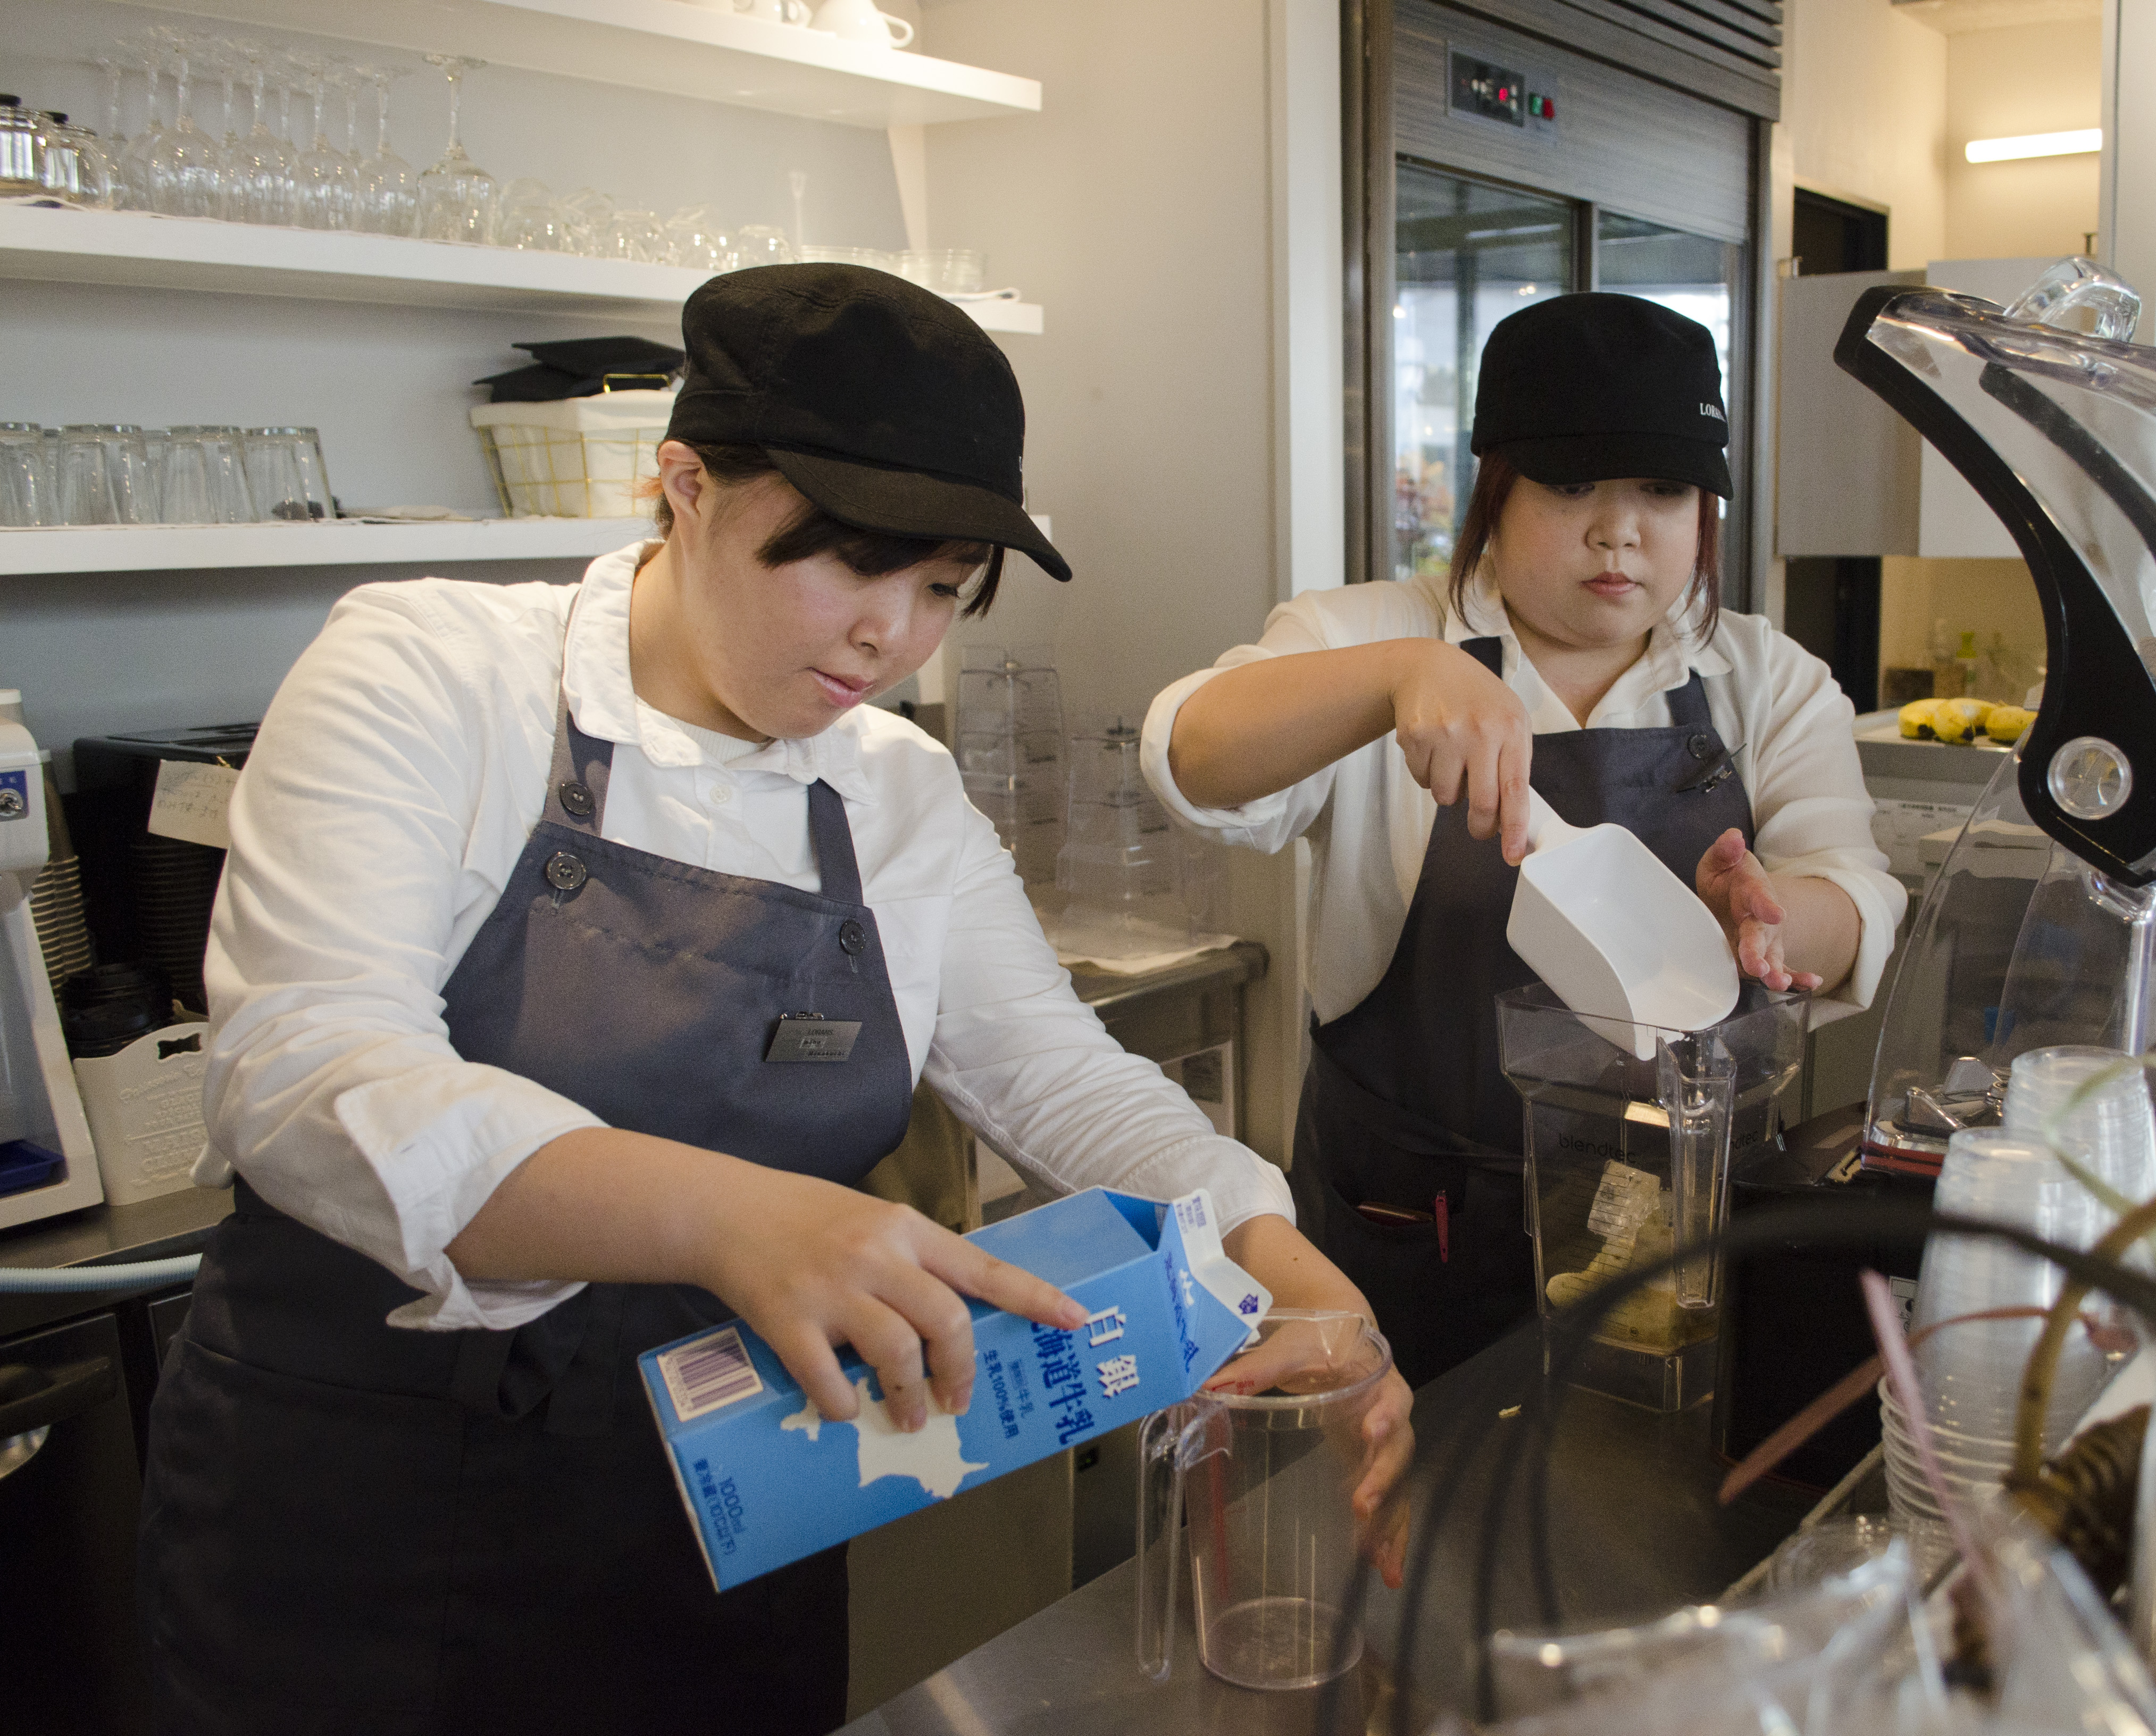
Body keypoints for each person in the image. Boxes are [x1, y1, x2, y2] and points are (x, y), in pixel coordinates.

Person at [136, 264, 1411, 1736]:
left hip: (736, 1510)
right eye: (851, 563)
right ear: (681, 483)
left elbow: (1065, 1081)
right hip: (362, 1517)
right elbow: (306, 1072)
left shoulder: (895, 794)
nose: (892, 637)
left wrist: (1285, 1263)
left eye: (941, 588)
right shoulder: (430, 675)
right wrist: (738, 1218)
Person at [1146, 293, 1906, 1386]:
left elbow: (1855, 893)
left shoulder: (1765, 680)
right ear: (1491, 493)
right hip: (1412, 1235)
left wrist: (1776, 918)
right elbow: (1187, 756)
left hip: (1681, 1234)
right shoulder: (1363, 634)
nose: (1620, 530)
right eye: (1569, 485)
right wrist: (1389, 684)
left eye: (1663, 490)